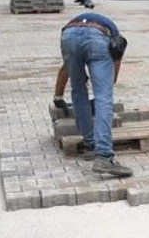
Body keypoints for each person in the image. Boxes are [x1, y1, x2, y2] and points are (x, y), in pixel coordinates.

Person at [53, 12, 132, 177]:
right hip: (98, 37)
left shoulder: (77, 26)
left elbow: (65, 69)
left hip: (68, 35)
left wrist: (58, 96)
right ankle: (104, 156)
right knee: (103, 98)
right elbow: (114, 68)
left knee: (78, 92)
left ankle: (90, 145)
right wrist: (106, 86)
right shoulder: (116, 40)